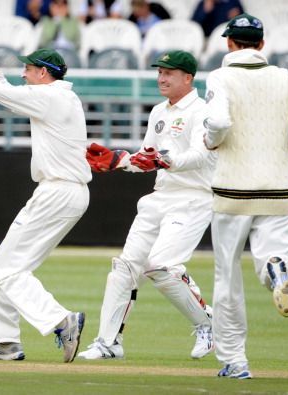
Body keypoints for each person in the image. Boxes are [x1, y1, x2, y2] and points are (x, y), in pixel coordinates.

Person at [0, 31, 91, 363]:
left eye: (29, 70)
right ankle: (5, 342)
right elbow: (9, 90)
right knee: (3, 267)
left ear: (44, 74)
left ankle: (62, 321)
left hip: (58, 192)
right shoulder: (55, 96)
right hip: (62, 191)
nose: (24, 74)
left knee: (10, 271)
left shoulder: (51, 98)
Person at [78, 50, 216, 361]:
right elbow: (147, 158)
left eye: (169, 73)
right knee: (124, 269)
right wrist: (120, 161)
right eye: (159, 72)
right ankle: (108, 343)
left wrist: (166, 159)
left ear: (188, 78)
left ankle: (209, 324)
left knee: (161, 266)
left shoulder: (202, 111)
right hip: (159, 197)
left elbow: (200, 155)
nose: (161, 78)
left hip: (193, 197)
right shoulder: (158, 111)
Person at [203, 13, 288, 379]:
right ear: (261, 44)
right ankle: (277, 269)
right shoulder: (284, 77)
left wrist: (209, 142)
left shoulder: (221, 76)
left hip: (232, 187)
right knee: (275, 252)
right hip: (277, 185)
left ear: (229, 43)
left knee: (227, 276)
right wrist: (283, 144)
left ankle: (235, 360)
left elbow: (219, 124)